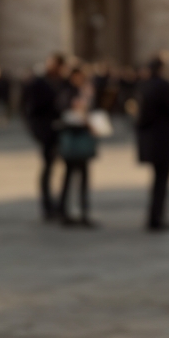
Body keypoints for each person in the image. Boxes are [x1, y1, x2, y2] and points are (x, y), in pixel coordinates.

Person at [135, 53, 169, 231]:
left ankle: (154, 216)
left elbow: (140, 116)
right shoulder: (166, 87)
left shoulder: (144, 86)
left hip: (149, 141)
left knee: (156, 181)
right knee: (162, 182)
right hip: (164, 140)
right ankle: (157, 218)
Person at [55, 66, 99, 227]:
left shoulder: (86, 91)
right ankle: (65, 211)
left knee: (84, 177)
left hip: (84, 139)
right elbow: (65, 113)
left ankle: (83, 211)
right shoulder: (67, 93)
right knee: (69, 176)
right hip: (73, 139)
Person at [24, 54, 65, 222]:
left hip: (62, 131)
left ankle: (60, 204)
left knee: (62, 169)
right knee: (48, 168)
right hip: (46, 131)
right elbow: (31, 108)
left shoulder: (63, 82)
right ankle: (47, 204)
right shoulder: (39, 83)